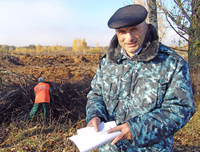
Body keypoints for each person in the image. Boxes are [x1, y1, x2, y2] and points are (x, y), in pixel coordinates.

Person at [86, 4, 196, 152]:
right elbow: (96, 94)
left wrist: (137, 129)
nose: (129, 38)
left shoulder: (172, 63)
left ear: (145, 27)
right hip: (111, 148)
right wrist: (95, 115)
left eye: (134, 29)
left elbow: (181, 108)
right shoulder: (107, 62)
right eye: (122, 32)